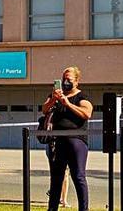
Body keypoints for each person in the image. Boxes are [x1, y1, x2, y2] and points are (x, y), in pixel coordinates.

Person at [42, 66, 93, 211]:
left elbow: (87, 113)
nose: (65, 82)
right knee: (56, 178)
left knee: (78, 176)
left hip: (76, 141)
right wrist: (54, 99)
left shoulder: (82, 97)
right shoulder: (56, 95)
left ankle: (84, 209)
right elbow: (44, 109)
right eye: (64, 79)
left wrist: (68, 104)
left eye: (69, 79)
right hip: (57, 142)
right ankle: (52, 208)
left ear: (76, 81)